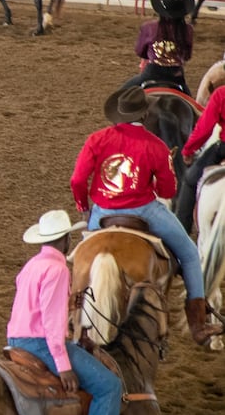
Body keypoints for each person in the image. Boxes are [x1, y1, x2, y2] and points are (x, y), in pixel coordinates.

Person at [71, 86, 216, 342]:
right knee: (191, 255)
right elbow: (168, 189)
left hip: (102, 212)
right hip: (144, 211)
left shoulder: (96, 139)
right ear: (146, 113)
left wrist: (84, 208)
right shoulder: (155, 145)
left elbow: (78, 180)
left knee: (76, 260)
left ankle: (71, 316)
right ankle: (198, 324)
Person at [6, 210, 124, 415]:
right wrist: (63, 366)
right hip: (40, 343)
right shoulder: (58, 269)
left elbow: (36, 305)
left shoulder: (32, 265)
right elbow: (50, 325)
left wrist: (69, 304)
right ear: (66, 240)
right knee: (109, 387)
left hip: (16, 339)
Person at [122, 0, 194, 93]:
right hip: (176, 75)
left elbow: (140, 51)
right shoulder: (187, 29)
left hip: (152, 72)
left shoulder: (149, 27)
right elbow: (187, 56)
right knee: (190, 101)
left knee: (121, 94)